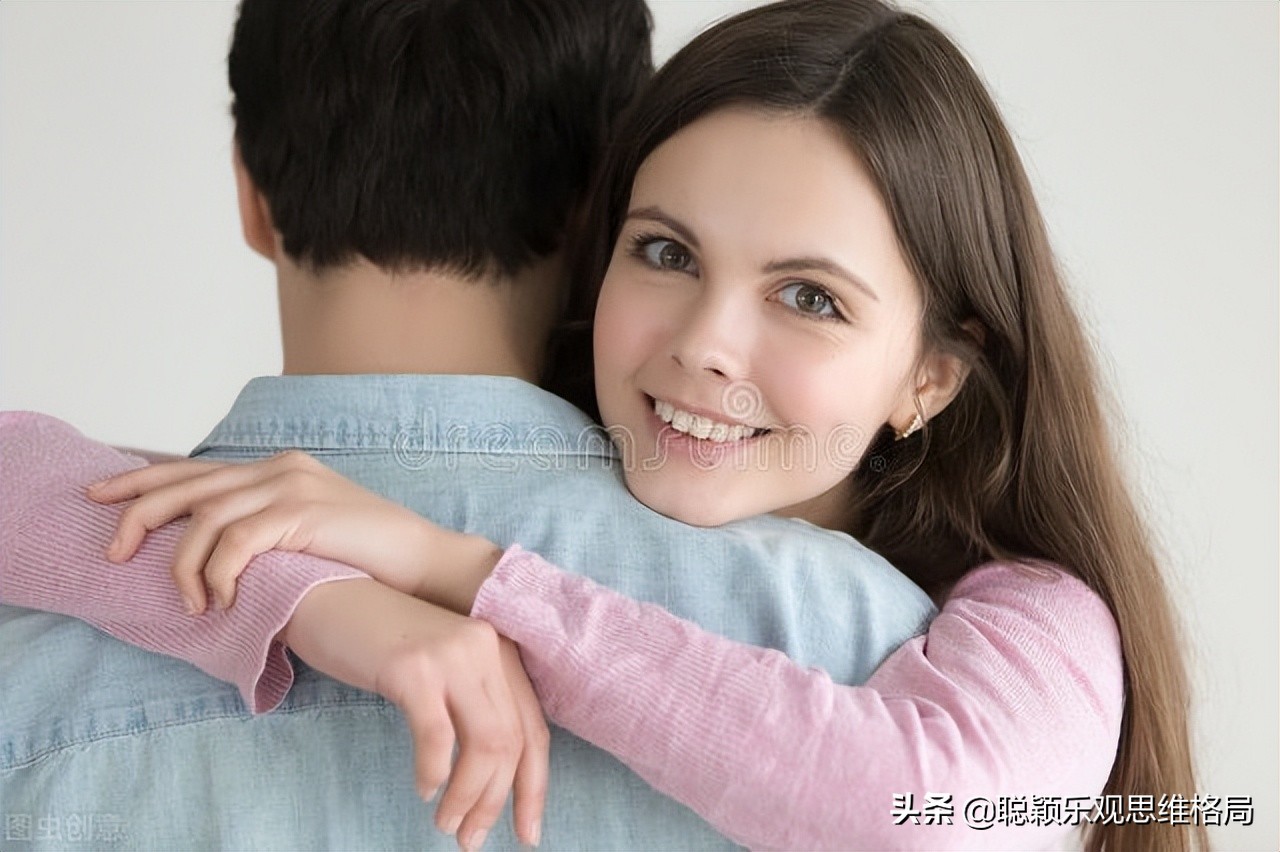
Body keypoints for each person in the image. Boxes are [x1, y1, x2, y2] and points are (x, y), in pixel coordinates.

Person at [65, 1, 1208, 851]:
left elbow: (925, 816)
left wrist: (455, 569)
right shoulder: (505, 465)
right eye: (665, 251)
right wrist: (316, 596)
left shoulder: (1028, 623)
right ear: (592, 243)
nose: (704, 343)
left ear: (932, 377)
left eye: (808, 297)